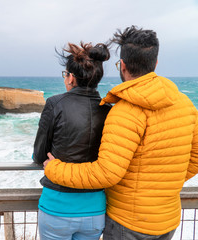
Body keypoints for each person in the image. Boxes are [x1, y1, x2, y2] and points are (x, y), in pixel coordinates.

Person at [43, 25, 198, 240]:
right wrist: (162, 184)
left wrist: (54, 169)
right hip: (167, 220)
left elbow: (106, 173)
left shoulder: (126, 111)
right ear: (156, 62)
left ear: (122, 65)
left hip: (129, 223)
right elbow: (195, 158)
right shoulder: (185, 103)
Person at [33, 41, 111, 240]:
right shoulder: (110, 111)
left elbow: (40, 155)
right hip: (95, 209)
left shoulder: (54, 104)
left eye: (65, 74)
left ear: (71, 78)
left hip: (56, 208)